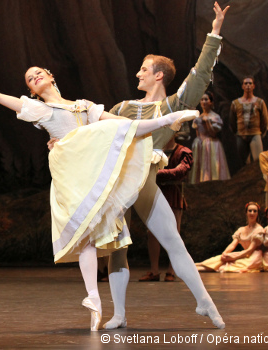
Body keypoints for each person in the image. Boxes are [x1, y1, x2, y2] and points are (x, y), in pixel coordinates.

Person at [0, 44, 201, 331]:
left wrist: (154, 126)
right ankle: (94, 298)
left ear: (50, 76)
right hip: (72, 173)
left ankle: (169, 119)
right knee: (86, 237)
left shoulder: (83, 104)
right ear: (31, 91)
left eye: (38, 73)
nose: (34, 78)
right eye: (30, 79)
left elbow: (121, 123)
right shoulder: (37, 108)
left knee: (116, 132)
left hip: (93, 167)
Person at [99, 2, 229, 330]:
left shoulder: (172, 105)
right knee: (118, 249)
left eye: (144, 69)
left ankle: (204, 301)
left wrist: (214, 32)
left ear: (158, 75)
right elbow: (96, 135)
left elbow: (199, 76)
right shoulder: (123, 107)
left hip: (144, 182)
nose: (138, 73)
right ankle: (119, 314)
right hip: (117, 184)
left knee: (173, 241)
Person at [139, 132, 192, 282]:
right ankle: (154, 270)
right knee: (152, 233)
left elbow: (180, 171)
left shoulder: (183, 152)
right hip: (155, 194)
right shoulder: (153, 151)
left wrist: (155, 174)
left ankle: (172, 270)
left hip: (173, 194)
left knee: (174, 233)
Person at [196, 202, 264, 272]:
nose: (252, 213)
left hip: (253, 258)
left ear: (257, 213)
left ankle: (194, 269)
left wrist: (233, 258)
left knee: (229, 264)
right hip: (244, 254)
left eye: (254, 211)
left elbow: (250, 250)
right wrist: (224, 254)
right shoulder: (241, 230)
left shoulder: (259, 230)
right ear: (246, 213)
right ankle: (195, 266)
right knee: (218, 259)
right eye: (250, 211)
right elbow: (233, 244)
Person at [190, 91, 230, 183]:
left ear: (211, 102)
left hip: (211, 144)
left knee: (212, 165)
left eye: (206, 99)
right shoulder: (198, 117)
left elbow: (213, 133)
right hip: (199, 144)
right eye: (202, 99)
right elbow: (197, 133)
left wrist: (208, 122)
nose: (204, 102)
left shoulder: (214, 117)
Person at [229, 76, 268, 166]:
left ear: (253, 86)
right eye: (246, 83)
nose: (248, 85)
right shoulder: (235, 103)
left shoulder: (260, 102)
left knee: (257, 160)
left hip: (255, 134)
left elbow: (265, 119)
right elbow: (232, 120)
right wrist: (237, 131)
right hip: (241, 134)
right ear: (242, 86)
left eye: (250, 83)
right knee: (244, 162)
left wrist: (261, 132)